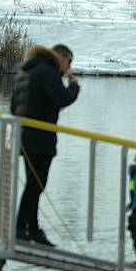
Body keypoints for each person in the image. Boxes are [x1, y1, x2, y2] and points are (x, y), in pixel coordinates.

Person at [11, 44, 80, 246]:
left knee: (34, 184)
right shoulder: (47, 71)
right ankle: (20, 228)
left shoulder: (27, 70)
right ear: (60, 56)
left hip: (24, 135)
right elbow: (62, 98)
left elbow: (14, 105)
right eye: (69, 61)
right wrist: (74, 85)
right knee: (37, 184)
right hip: (40, 137)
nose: (68, 67)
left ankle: (32, 229)